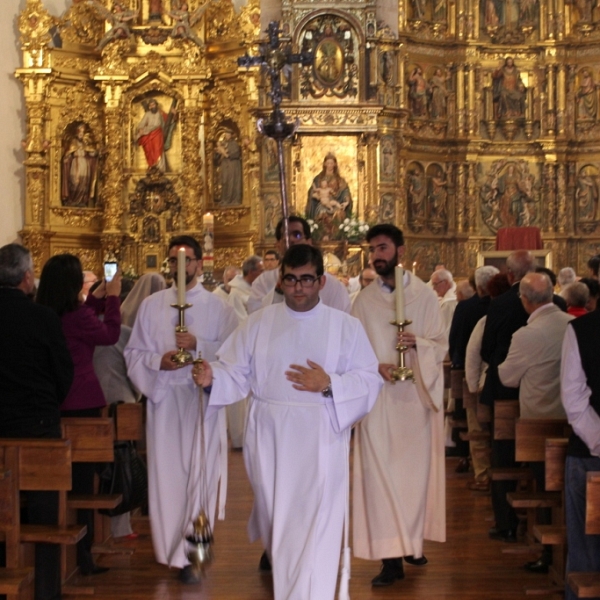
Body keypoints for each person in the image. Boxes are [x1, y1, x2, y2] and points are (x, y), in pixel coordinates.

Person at [194, 244, 382, 599]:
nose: (298, 288)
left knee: (316, 526)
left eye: (306, 280)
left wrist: (329, 384)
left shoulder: (345, 326)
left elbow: (369, 380)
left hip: (320, 438)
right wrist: (211, 378)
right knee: (280, 528)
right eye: (291, 280)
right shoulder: (259, 323)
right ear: (280, 281)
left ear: (321, 282)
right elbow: (235, 372)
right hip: (269, 439)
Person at [124, 235, 238, 584]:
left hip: (201, 403)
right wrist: (160, 360)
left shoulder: (220, 308)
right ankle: (172, 551)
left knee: (201, 479)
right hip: (165, 404)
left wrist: (199, 346)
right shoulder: (152, 305)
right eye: (173, 260)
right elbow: (133, 354)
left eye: (185, 260)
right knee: (169, 480)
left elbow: (235, 354)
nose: (179, 266)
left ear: (199, 265)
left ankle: (194, 554)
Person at [352, 224, 447, 587]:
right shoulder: (362, 302)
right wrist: (376, 366)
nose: (377, 255)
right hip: (378, 401)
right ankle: (390, 560)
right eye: (373, 249)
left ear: (400, 252)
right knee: (379, 479)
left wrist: (418, 343)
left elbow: (440, 346)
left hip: (413, 404)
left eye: (383, 248)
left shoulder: (423, 296)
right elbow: (352, 350)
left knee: (411, 481)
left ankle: (411, 541)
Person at [36, 253, 122, 576]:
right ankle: (83, 555)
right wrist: (112, 299)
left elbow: (79, 316)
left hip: (53, 403)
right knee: (84, 483)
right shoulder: (76, 317)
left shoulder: (44, 312)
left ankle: (73, 554)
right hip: (83, 401)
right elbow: (110, 334)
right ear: (73, 284)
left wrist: (96, 299)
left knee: (60, 480)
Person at [0, 243, 74, 600]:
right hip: (38, 429)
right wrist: (47, 406)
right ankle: (47, 591)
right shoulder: (43, 317)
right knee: (47, 520)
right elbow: (63, 373)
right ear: (27, 278)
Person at [560, 306, 600, 600]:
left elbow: (573, 397)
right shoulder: (579, 328)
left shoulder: (582, 328)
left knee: (585, 552)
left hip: (589, 449)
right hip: (588, 454)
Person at [246, 216, 351, 314]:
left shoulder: (333, 286)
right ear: (277, 245)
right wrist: (278, 290)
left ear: (309, 242)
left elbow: (341, 320)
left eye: (297, 235)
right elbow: (256, 317)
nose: (291, 240)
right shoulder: (263, 282)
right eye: (285, 236)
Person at [61, 123, 98, 207]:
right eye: (80, 132)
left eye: (83, 132)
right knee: (74, 181)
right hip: (76, 163)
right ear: (76, 133)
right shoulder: (73, 142)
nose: (81, 134)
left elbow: (89, 153)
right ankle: (73, 200)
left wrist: (94, 154)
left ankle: (82, 201)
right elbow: (68, 153)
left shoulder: (85, 143)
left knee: (84, 182)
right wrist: (66, 157)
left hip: (84, 164)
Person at [305, 154, 352, 220]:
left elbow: (345, 191)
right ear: (325, 164)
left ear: (335, 164)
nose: (330, 165)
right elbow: (313, 190)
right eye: (328, 163)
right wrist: (317, 195)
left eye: (331, 163)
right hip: (322, 203)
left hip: (335, 202)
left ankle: (338, 230)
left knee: (339, 213)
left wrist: (346, 202)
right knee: (322, 212)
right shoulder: (318, 178)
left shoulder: (339, 179)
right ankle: (319, 229)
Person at [135, 98, 177, 172]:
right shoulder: (147, 114)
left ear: (156, 105)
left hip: (157, 133)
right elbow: (142, 123)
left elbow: (169, 121)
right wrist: (140, 129)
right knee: (148, 150)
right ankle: (152, 166)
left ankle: (159, 168)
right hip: (147, 133)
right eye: (150, 105)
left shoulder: (160, 113)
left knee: (158, 149)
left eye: (153, 105)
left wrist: (174, 114)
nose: (152, 106)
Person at [215, 129, 243, 206]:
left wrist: (226, 154)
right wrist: (219, 152)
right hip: (224, 165)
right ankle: (224, 199)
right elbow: (216, 157)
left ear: (231, 135)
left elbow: (236, 154)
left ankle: (233, 199)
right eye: (226, 134)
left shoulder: (234, 144)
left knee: (232, 182)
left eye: (229, 134)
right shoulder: (222, 143)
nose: (227, 135)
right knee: (224, 181)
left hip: (232, 165)